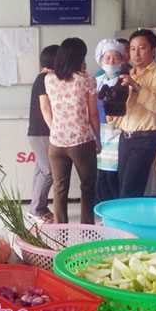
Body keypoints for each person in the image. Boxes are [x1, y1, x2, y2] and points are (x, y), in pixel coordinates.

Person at [39, 38, 100, 224]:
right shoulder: (87, 81)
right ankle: (87, 228)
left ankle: (60, 231)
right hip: (81, 141)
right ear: (79, 57)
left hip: (56, 143)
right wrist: (98, 139)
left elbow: (47, 108)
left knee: (59, 188)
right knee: (88, 186)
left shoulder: (48, 79)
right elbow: (93, 115)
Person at [112, 29, 156, 198]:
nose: (136, 53)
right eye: (132, 49)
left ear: (153, 50)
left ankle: (125, 224)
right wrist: (111, 103)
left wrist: (135, 86)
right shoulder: (129, 73)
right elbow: (123, 110)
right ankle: (122, 223)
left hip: (146, 137)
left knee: (131, 189)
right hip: (125, 136)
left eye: (142, 48)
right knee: (122, 185)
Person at [27, 44, 59, 222]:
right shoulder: (45, 78)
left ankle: (37, 206)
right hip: (42, 133)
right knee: (49, 171)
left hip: (39, 132)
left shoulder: (43, 77)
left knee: (41, 169)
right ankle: (37, 209)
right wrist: (55, 130)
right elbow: (46, 108)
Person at [93, 39, 126, 203]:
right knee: (101, 175)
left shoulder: (125, 81)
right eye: (107, 58)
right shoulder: (96, 82)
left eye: (115, 58)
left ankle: (115, 211)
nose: (111, 62)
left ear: (122, 60)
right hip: (99, 133)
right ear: (101, 60)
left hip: (117, 132)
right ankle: (103, 211)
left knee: (113, 174)